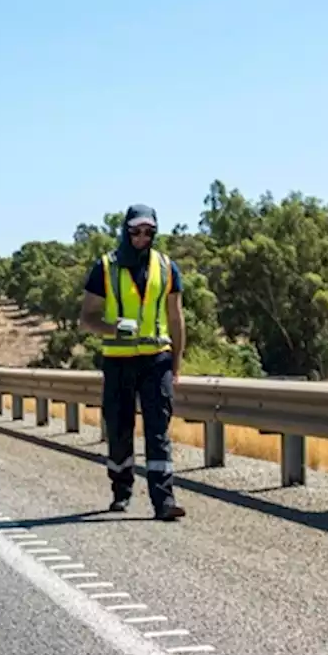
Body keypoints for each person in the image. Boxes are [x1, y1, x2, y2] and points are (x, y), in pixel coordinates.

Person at [79, 204, 188, 521]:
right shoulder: (105, 268)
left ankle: (164, 500)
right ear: (126, 231)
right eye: (136, 231)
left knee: (158, 431)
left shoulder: (167, 268)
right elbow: (86, 318)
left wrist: (177, 363)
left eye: (149, 231)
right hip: (118, 361)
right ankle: (121, 491)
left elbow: (175, 317)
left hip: (157, 361)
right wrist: (113, 327)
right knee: (119, 430)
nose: (142, 237)